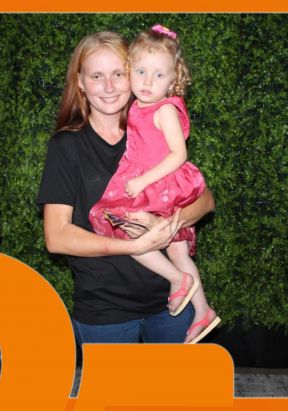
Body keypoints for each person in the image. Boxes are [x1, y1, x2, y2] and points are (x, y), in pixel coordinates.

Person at [37, 31, 215, 344]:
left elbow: (205, 201)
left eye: (118, 74)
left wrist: (163, 224)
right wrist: (135, 246)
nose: (109, 87)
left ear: (131, 73)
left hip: (171, 301)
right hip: (105, 309)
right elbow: (57, 237)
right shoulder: (66, 146)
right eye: (96, 76)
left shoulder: (150, 125)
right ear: (80, 82)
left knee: (174, 379)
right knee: (114, 381)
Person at [89, 25, 220, 344]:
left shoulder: (165, 110)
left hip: (162, 184)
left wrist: (142, 180)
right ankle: (203, 310)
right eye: (141, 72)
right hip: (154, 183)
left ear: (173, 80)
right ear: (130, 71)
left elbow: (179, 153)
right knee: (177, 251)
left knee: (119, 223)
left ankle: (178, 280)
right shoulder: (138, 106)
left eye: (158, 75)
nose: (147, 82)